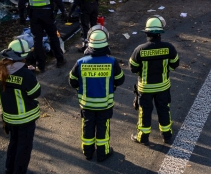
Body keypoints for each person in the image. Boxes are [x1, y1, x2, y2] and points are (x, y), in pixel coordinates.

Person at [69, 29, 124, 161]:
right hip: (105, 104)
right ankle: (103, 153)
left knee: (87, 126)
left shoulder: (81, 62)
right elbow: (120, 79)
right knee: (103, 127)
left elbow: (72, 81)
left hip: (86, 104)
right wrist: (113, 86)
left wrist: (80, 89)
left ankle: (87, 152)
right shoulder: (112, 62)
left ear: (90, 45)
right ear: (105, 45)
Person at [0, 39, 41, 174]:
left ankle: (9, 170)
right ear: (22, 56)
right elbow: (35, 93)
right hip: (25, 118)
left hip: (9, 117)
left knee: (13, 142)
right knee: (24, 146)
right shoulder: (26, 75)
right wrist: (31, 74)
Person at [129, 16, 179, 146]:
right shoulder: (169, 48)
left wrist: (143, 73)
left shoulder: (139, 49)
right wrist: (165, 71)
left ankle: (143, 137)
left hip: (145, 88)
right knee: (164, 109)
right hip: (163, 87)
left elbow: (133, 68)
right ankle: (167, 135)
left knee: (144, 111)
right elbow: (174, 64)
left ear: (147, 33)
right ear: (160, 33)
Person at [18, 0, 67, 71]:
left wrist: (22, 17)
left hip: (34, 16)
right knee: (53, 37)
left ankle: (40, 65)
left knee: (37, 40)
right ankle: (60, 60)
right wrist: (64, 11)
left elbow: (21, 3)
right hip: (47, 15)